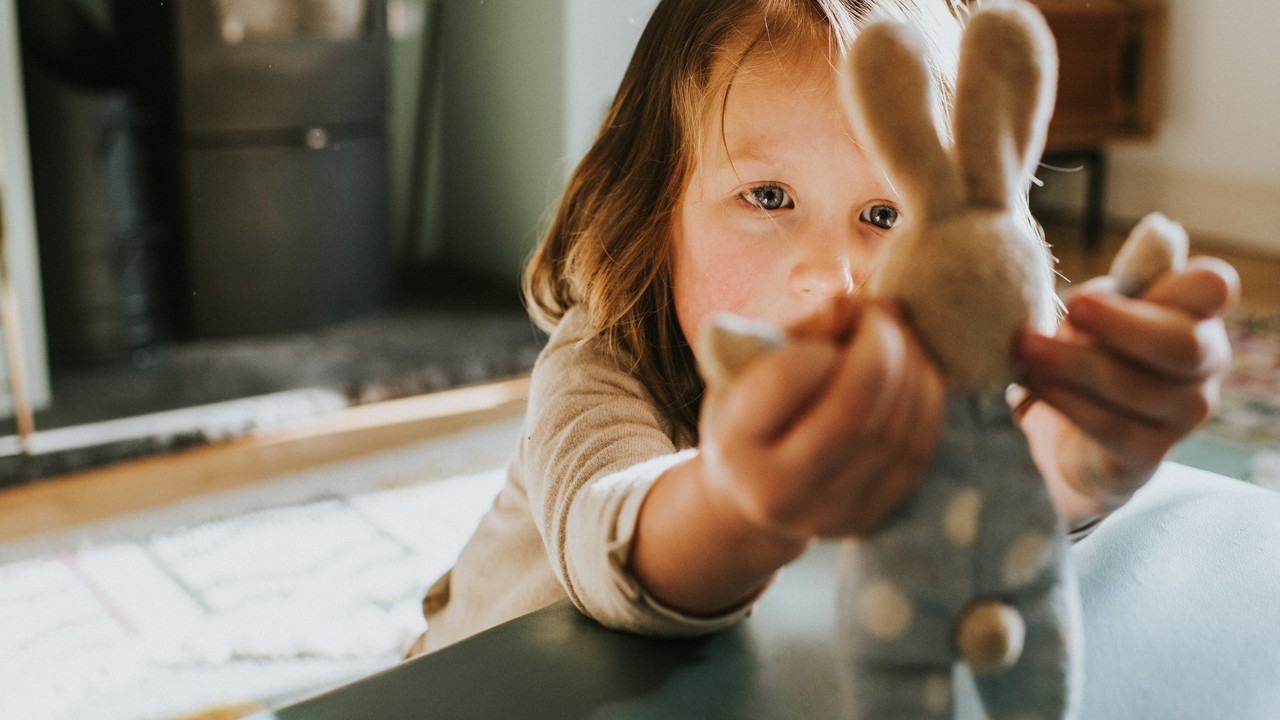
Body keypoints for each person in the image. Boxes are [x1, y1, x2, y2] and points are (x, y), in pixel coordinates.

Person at [407, 0, 1238, 656]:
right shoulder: (601, 363)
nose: (831, 276)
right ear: (657, 211)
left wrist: (1081, 453)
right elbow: (608, 535)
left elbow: (1002, 481)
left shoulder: (931, 369)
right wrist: (738, 503)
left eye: (884, 214)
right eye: (768, 197)